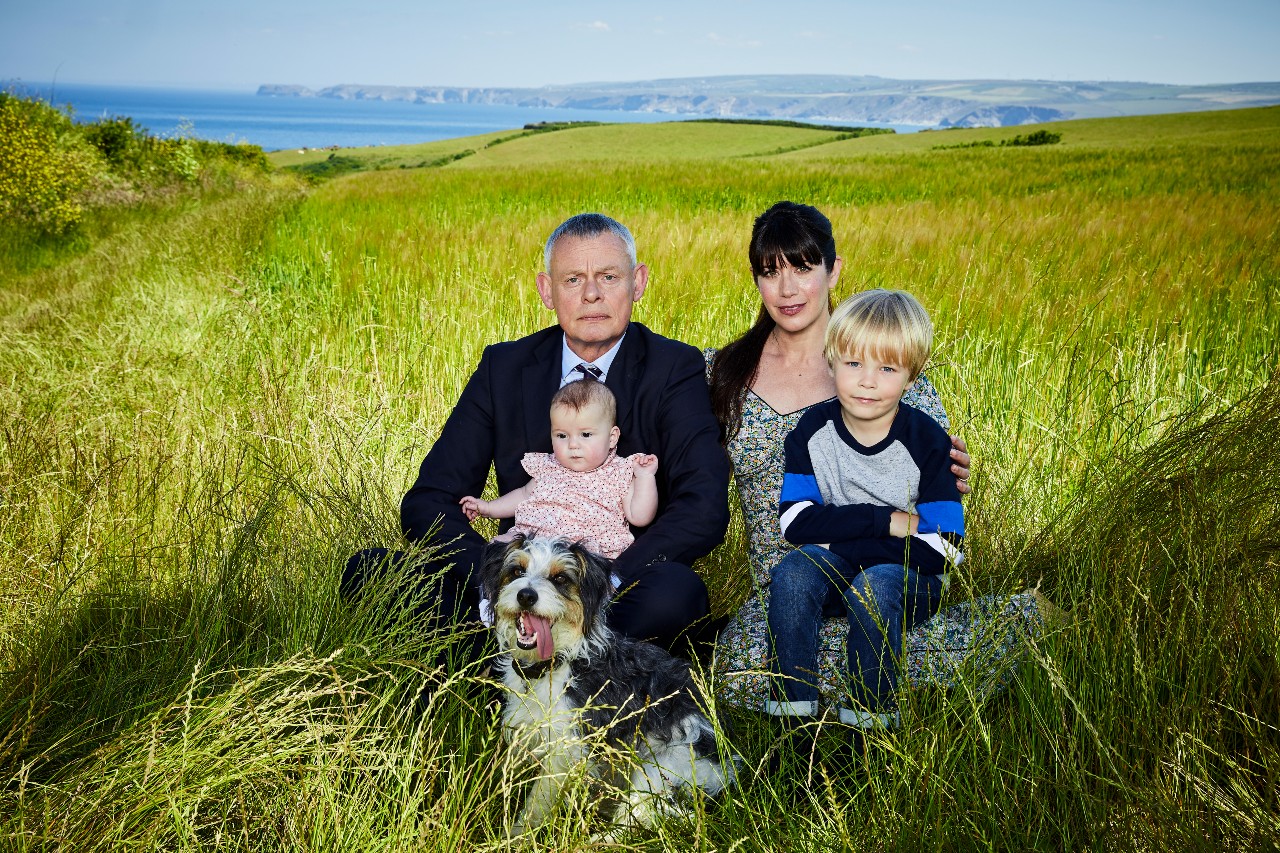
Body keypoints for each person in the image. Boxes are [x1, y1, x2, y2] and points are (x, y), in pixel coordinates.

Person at [707, 201, 1045, 714]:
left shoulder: (890, 369)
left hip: (890, 573)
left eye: (802, 267)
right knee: (739, 670)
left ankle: (999, 631)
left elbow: (940, 491)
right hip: (789, 584)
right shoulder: (723, 374)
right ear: (755, 279)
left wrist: (947, 480)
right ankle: (870, 687)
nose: (788, 288)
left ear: (833, 269)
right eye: (770, 271)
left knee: (872, 618)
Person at [342, 213, 730, 655]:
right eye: (572, 279)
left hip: (615, 586)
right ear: (547, 290)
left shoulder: (674, 367)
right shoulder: (503, 367)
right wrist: (494, 580)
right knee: (370, 571)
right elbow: (429, 499)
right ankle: (519, 645)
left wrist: (607, 581)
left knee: (677, 595)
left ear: (637, 283)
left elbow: (704, 504)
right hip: (512, 576)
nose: (591, 294)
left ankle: (517, 660)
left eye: (608, 276)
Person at [768, 289, 963, 736]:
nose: (868, 381)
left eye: (887, 368)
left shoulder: (928, 442)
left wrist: (836, 533)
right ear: (832, 362)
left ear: (912, 378)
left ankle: (868, 727)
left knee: (873, 584)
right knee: (794, 575)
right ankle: (791, 723)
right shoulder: (812, 431)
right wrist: (887, 521)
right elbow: (795, 522)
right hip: (844, 565)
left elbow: (944, 548)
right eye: (854, 364)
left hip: (910, 579)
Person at [459, 377, 659, 560]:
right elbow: (523, 495)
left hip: (583, 552)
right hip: (532, 541)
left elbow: (639, 516)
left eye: (586, 435)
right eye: (562, 436)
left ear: (612, 437)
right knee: (495, 549)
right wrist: (488, 508)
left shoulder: (618, 472)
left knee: (581, 569)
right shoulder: (549, 466)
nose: (573, 445)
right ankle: (489, 596)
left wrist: (645, 477)